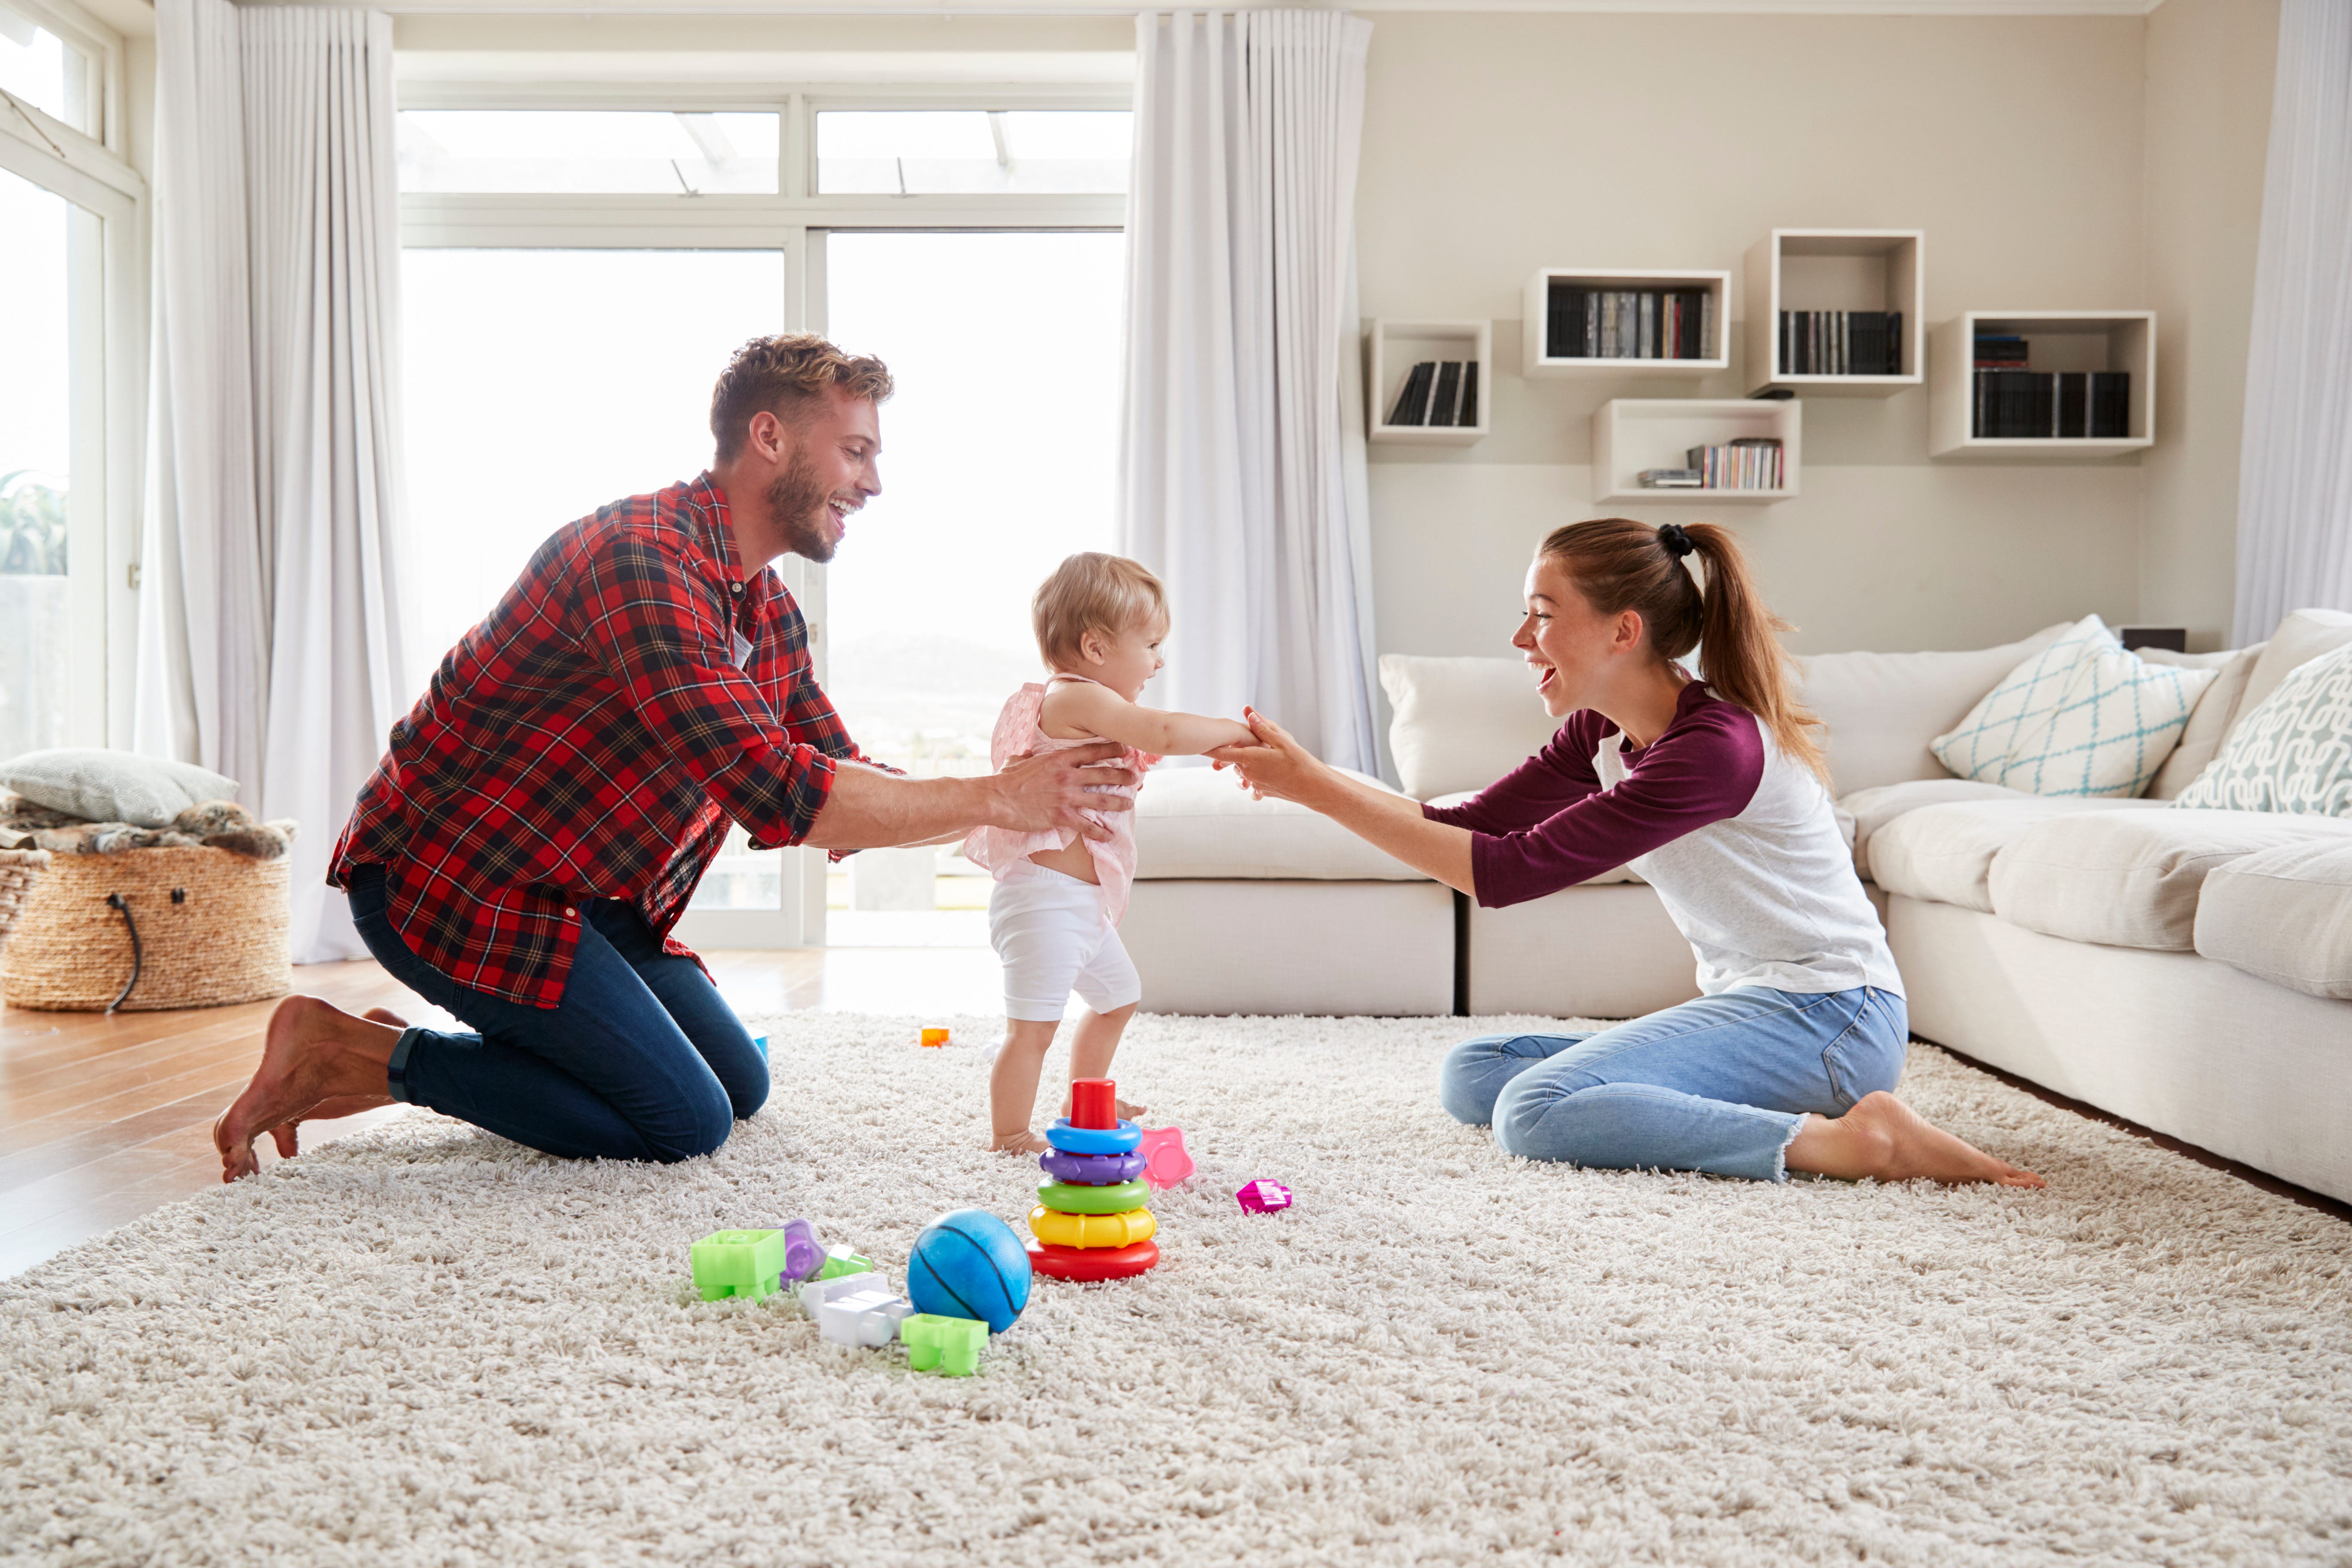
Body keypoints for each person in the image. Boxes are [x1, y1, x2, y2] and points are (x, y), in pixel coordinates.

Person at [211, 335, 1142, 1182]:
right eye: (856, 452)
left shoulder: (765, 610)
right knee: (681, 1120)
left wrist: (1024, 792)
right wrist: (1000, 798)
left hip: (589, 899)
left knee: (740, 1086)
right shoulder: (640, 561)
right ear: (769, 437)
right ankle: (370, 1058)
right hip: (453, 883)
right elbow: (786, 798)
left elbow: (839, 772)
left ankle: (486, 1051)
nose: (874, 484)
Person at [1210, 518, 2044, 1189]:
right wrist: (1308, 777)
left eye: (1542, 613)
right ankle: (1789, 1116)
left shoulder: (1714, 747)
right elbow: (1471, 824)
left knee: (1535, 1111)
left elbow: (1504, 873)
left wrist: (1311, 787)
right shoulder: (1604, 732)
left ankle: (1855, 1144)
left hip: (1832, 1017)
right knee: (1475, 1074)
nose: (1519, 637)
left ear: (1623, 630)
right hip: (1760, 1008)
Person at [962, 553, 1255, 1155]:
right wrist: (1235, 731)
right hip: (1043, 904)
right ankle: (1009, 1133)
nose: (1159, 660)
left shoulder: (1088, 702)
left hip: (1080, 905)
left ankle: (1083, 1098)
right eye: (1150, 645)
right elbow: (1165, 733)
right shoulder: (1072, 698)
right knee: (1032, 1031)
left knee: (1118, 999)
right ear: (1095, 649)